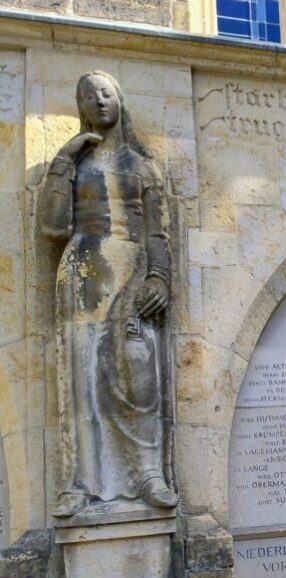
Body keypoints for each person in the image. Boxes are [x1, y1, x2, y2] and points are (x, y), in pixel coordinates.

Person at [38, 71, 177, 518]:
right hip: (83, 273)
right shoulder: (76, 163)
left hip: (131, 272)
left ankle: (147, 474)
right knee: (84, 382)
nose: (99, 101)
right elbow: (54, 227)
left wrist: (158, 277)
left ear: (119, 99)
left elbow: (158, 232)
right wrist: (64, 159)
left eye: (106, 93)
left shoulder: (143, 166)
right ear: (81, 107)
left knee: (139, 375)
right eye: (89, 96)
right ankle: (81, 482)